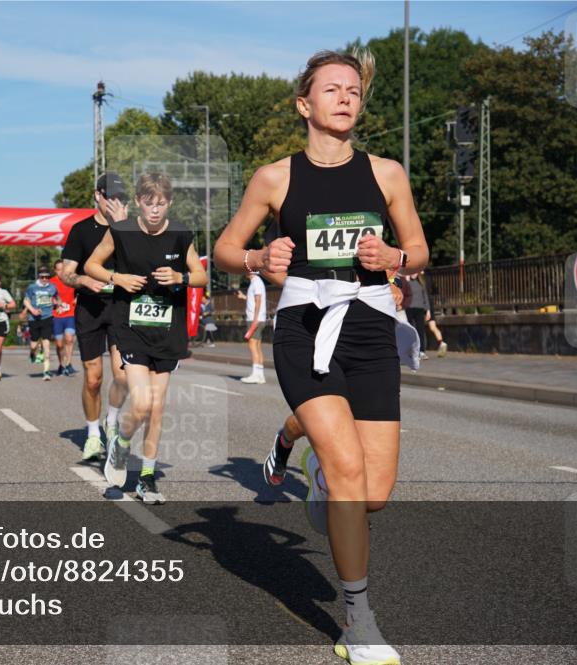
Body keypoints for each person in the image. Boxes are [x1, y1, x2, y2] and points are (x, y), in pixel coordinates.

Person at [214, 49, 426, 665]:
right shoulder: (274, 178)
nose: (345, 98)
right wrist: (259, 260)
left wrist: (395, 260)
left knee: (373, 494)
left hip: (370, 331)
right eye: (331, 89)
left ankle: (311, 467)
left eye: (354, 91)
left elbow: (418, 247)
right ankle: (358, 621)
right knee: (350, 478)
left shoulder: (386, 173)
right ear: (305, 105)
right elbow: (226, 248)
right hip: (305, 329)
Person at [86, 172, 207, 505]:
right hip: (132, 330)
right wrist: (118, 277)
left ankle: (148, 479)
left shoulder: (180, 234)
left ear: (170, 203)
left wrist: (181, 276)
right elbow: (92, 264)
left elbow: (201, 275)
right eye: (149, 203)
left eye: (162, 204)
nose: (155, 210)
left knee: (156, 409)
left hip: (168, 332)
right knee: (141, 402)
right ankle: (121, 443)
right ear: (138, 201)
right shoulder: (121, 232)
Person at [59, 172, 130, 461]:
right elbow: (66, 272)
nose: (116, 201)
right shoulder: (81, 231)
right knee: (93, 378)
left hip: (122, 307)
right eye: (110, 196)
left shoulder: (130, 229)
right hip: (90, 308)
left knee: (123, 375)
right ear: (97, 195)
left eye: (121, 197)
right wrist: (83, 281)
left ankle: (111, 422)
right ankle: (92, 435)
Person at [24, 265, 59, 381]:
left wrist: (58, 305)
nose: (45, 279)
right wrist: (32, 310)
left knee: (47, 345)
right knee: (34, 344)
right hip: (34, 319)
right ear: (39, 277)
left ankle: (46, 372)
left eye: (47, 277)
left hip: (47, 317)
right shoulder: (32, 287)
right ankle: (32, 353)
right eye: (42, 277)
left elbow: (56, 298)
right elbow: (26, 300)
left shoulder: (52, 287)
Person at [237, 272, 268, 383]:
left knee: (253, 345)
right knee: (258, 346)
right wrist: (244, 297)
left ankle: (256, 375)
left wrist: (255, 319)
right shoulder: (256, 282)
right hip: (259, 318)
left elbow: (258, 300)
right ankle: (260, 375)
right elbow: (254, 300)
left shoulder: (256, 282)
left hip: (255, 319)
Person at [50, 259, 78, 376]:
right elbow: (46, 296)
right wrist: (54, 302)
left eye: (63, 269)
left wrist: (77, 299)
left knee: (69, 338)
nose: (61, 272)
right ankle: (61, 364)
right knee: (59, 344)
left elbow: (80, 291)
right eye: (59, 270)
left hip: (70, 314)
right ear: (55, 271)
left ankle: (69, 363)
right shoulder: (51, 282)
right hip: (57, 316)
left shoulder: (72, 280)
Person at [406, 271, 430, 359]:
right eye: (412, 272)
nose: (413, 274)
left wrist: (428, 310)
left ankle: (421, 351)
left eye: (415, 272)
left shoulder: (421, 282)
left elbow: (425, 297)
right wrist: (406, 281)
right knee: (410, 331)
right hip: (409, 308)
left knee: (420, 330)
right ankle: (411, 351)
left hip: (420, 309)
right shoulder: (406, 282)